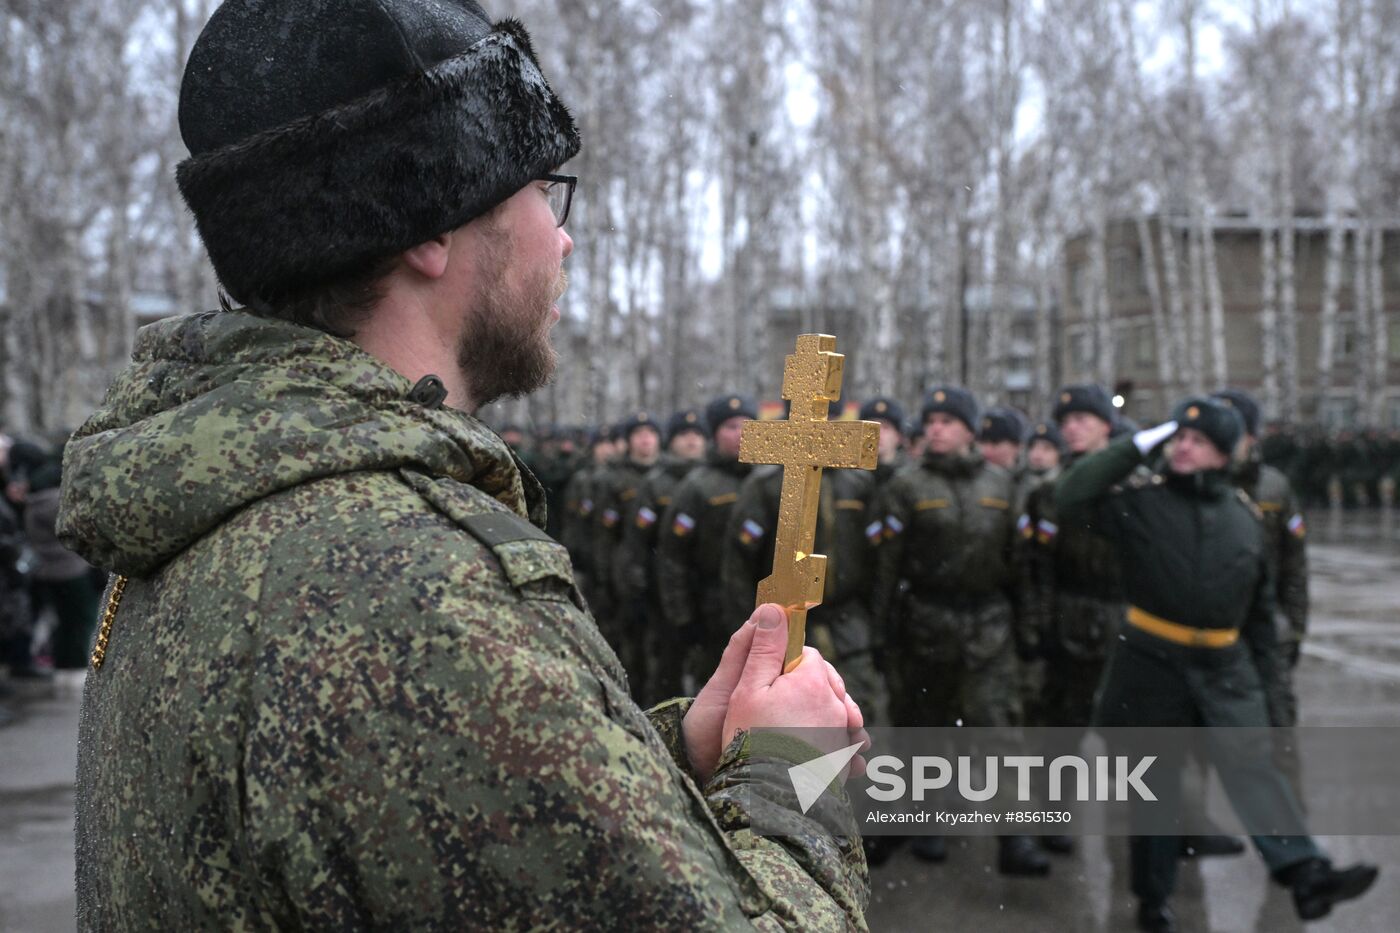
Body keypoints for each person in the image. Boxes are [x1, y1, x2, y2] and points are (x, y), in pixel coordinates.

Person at [58, 2, 868, 927]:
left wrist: (676, 756)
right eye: (541, 189)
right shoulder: (407, 590)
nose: (561, 237)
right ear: (427, 228)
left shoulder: (222, 505)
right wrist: (791, 766)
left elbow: (412, 825)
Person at [1055, 397, 1377, 933]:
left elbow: (1260, 616)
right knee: (1153, 790)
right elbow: (1071, 495)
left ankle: (1306, 874)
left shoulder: (1245, 520)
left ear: (1224, 454)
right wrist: (1136, 444)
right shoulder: (1142, 503)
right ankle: (1153, 902)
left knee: (1252, 768)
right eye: (1179, 436)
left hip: (1225, 665)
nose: (1184, 445)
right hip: (1151, 663)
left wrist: (1273, 699)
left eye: (1199, 440)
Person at [871, 385, 1046, 875]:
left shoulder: (1004, 486)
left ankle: (1016, 836)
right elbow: (887, 567)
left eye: (948, 421)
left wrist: (1030, 630)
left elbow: (1023, 568)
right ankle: (925, 820)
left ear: (970, 430)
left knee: (998, 733)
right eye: (931, 421)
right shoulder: (906, 487)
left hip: (989, 626)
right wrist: (883, 634)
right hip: (925, 624)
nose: (936, 429)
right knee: (922, 730)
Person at [1213, 388, 1309, 796]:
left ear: (1252, 436)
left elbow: (1294, 568)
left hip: (1265, 630)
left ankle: (1292, 840)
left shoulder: (1274, 488)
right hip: (1207, 631)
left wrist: (1295, 630)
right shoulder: (1190, 485)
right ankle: (1188, 830)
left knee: (1277, 732)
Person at [656, 394, 757, 689]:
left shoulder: (769, 481)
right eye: (730, 426)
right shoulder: (697, 486)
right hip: (711, 609)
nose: (740, 433)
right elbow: (673, 556)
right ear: (714, 434)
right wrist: (682, 617)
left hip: (763, 606)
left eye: (746, 424)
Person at [615, 408, 706, 703]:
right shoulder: (655, 484)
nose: (691, 441)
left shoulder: (712, 480)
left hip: (706, 593)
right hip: (662, 592)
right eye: (683, 435)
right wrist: (636, 588)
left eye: (696, 435)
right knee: (666, 673)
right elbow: (636, 544)